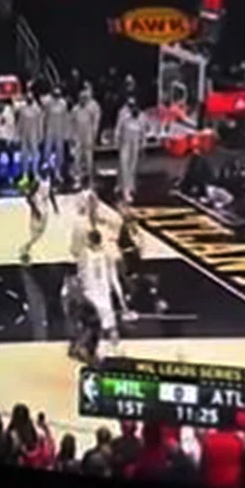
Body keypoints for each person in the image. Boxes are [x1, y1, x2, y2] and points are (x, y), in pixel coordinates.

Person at [77, 228, 124, 358]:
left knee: (106, 326)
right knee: (98, 326)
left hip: (99, 294)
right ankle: (92, 351)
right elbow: (81, 275)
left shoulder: (101, 255)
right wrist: (121, 299)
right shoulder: (87, 254)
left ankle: (113, 351)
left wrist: (120, 299)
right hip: (93, 295)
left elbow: (112, 277)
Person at [18, 165, 59, 265]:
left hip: (44, 209)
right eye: (45, 171)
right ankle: (25, 251)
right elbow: (28, 197)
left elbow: (51, 193)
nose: (47, 173)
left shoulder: (48, 181)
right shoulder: (37, 182)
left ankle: (27, 248)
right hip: (38, 209)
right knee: (35, 232)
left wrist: (55, 206)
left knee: (40, 233)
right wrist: (35, 210)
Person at [114, 95, 149, 203]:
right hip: (125, 143)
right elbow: (118, 128)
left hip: (135, 144)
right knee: (124, 166)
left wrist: (143, 146)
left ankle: (129, 186)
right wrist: (116, 142)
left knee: (132, 167)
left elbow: (143, 132)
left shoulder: (142, 116)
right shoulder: (123, 114)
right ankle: (125, 190)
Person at [70, 85, 101, 185]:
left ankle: (91, 179)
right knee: (77, 158)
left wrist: (94, 134)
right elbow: (71, 123)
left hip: (88, 135)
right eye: (81, 98)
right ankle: (78, 179)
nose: (82, 100)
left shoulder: (92, 108)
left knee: (89, 158)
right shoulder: (75, 109)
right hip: (78, 135)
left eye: (84, 98)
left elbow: (95, 122)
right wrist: (72, 136)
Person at [42, 90, 69, 182]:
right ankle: (47, 171)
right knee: (47, 150)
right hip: (50, 130)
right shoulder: (48, 103)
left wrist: (66, 133)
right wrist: (43, 130)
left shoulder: (63, 104)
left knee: (59, 151)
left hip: (60, 130)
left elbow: (65, 118)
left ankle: (58, 172)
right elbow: (45, 116)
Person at [15, 92, 44, 177]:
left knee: (35, 154)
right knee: (24, 154)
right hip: (24, 134)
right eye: (28, 98)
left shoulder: (37, 110)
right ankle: (25, 172)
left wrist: (40, 135)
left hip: (34, 134)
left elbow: (40, 123)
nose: (29, 100)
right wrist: (17, 134)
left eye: (30, 98)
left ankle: (35, 171)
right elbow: (20, 123)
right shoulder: (22, 109)